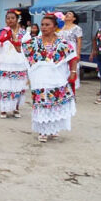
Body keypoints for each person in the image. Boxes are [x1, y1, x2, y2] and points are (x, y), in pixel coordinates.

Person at [23, 14, 78, 142]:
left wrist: (73, 72)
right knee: (41, 102)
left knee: (55, 103)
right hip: (39, 77)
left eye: (47, 25)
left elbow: (73, 57)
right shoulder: (33, 42)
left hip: (56, 76)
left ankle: (53, 129)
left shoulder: (62, 43)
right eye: (42, 24)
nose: (44, 27)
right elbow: (23, 51)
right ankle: (42, 130)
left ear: (54, 27)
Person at [0, 10, 31, 118]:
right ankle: (3, 109)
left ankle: (16, 108)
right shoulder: (1, 32)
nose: (10, 20)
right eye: (8, 18)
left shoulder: (24, 33)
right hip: (4, 63)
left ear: (17, 19)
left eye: (12, 18)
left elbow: (27, 48)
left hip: (18, 63)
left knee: (18, 87)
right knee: (4, 87)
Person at [58, 11, 83, 89]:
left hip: (72, 48)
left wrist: (78, 54)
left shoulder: (77, 28)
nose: (67, 15)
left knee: (72, 68)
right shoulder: (61, 27)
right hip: (61, 49)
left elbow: (79, 41)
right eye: (66, 14)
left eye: (70, 14)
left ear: (74, 18)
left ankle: (72, 87)